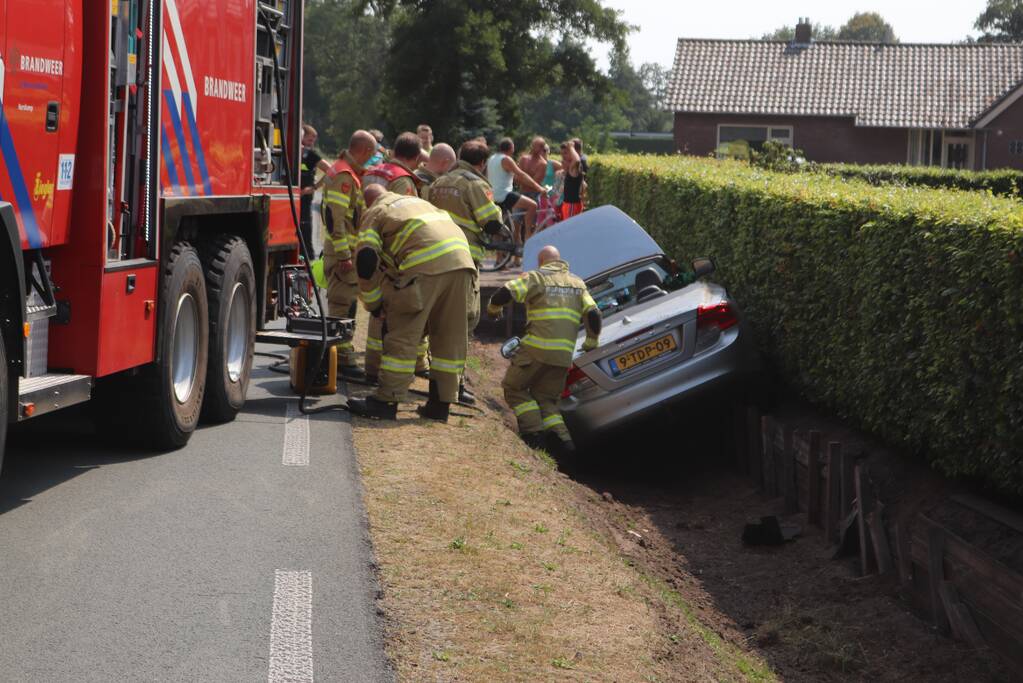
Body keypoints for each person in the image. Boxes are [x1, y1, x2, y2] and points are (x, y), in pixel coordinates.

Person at [347, 185, 478, 422]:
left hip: (424, 267)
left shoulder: (377, 211)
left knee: (403, 335)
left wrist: (374, 304)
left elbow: (366, 260)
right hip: (463, 265)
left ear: (368, 202)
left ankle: (386, 402)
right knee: (449, 338)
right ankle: (440, 405)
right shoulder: (417, 203)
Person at [488, 245, 601, 453]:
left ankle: (535, 437)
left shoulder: (536, 277)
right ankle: (564, 446)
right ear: (560, 261)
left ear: (541, 262)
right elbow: (594, 313)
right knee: (547, 399)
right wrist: (591, 341)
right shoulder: (577, 283)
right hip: (563, 356)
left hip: (536, 349)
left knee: (514, 388)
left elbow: (505, 293)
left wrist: (493, 309)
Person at [426, 140, 504, 404]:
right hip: (464, 262)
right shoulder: (476, 185)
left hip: (432, 259)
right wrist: (500, 214)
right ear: (481, 163)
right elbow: (491, 223)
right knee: (461, 323)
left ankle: (436, 379)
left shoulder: (438, 182)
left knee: (434, 319)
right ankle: (454, 386)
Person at [362, 132, 428, 380]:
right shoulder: (403, 180)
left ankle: (371, 367)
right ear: (414, 157)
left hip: (369, 242)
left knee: (376, 306)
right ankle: (384, 369)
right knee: (390, 310)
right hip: (392, 250)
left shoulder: (373, 170)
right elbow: (406, 217)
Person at [320, 129, 377, 376]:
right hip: (343, 253)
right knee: (342, 304)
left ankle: (340, 354)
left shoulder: (347, 171)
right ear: (364, 150)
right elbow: (336, 219)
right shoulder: (345, 175)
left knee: (348, 302)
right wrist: (344, 254)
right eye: (371, 154)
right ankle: (340, 358)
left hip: (346, 251)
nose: (371, 159)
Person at [486, 138, 544, 243]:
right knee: (532, 205)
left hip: (492, 196)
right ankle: (528, 235)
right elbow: (521, 175)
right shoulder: (506, 159)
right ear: (511, 148)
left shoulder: (492, 158)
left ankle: (499, 258)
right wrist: (539, 187)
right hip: (503, 195)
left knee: (500, 225)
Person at [299, 124, 331, 252]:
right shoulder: (294, 151)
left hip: (305, 196)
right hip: (292, 195)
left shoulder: (310, 154)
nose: (311, 144)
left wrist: (314, 187)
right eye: (309, 140)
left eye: (313, 141)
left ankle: (308, 256)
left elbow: (330, 170)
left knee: (305, 227)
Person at [559, 141, 585, 220]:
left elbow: (577, 160)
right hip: (568, 204)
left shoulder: (573, 169)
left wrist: (571, 147)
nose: (563, 156)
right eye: (562, 154)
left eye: (566, 153)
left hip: (572, 205)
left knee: (570, 229)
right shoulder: (569, 169)